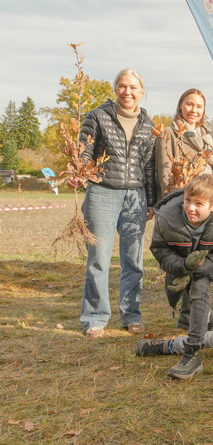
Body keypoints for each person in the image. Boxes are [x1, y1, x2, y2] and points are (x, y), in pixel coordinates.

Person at [77, 69, 156, 338]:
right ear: (115, 89)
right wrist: (80, 172)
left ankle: (131, 314)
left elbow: (149, 166)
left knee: (133, 260)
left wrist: (152, 202)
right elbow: (85, 150)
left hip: (135, 196)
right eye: (122, 87)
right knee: (98, 259)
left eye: (133, 87)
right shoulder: (98, 116)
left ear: (141, 92)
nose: (127, 92)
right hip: (102, 192)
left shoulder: (148, 124)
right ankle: (95, 317)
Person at [148, 174, 213, 380]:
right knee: (191, 296)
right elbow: (159, 249)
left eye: (199, 204)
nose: (190, 207)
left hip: (207, 267)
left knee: (198, 291)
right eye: (188, 200)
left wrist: (199, 267)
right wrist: (183, 266)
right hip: (179, 264)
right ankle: (206, 318)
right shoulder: (167, 218)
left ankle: (192, 353)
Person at [155, 88, 213, 200]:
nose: (194, 110)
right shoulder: (169, 133)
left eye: (199, 106)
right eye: (189, 104)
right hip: (179, 199)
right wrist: (172, 201)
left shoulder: (208, 137)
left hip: (205, 200)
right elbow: (165, 172)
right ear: (180, 106)